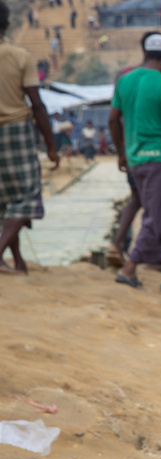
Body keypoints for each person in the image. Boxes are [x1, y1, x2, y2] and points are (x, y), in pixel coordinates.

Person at [108, 32, 161, 290]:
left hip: (136, 159)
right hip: (160, 159)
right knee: (155, 217)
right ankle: (129, 268)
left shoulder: (125, 80)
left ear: (145, 53)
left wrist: (121, 152)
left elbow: (112, 119)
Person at [0, 0, 60, 275]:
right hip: (16, 130)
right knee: (24, 196)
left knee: (4, 199)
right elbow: (37, 104)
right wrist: (51, 146)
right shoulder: (20, 56)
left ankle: (18, 262)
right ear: (7, 25)